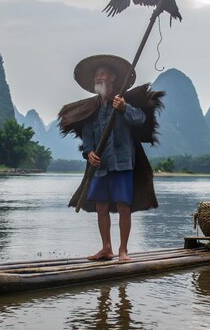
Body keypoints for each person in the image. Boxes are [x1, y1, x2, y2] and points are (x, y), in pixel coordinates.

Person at [58, 54, 165, 262]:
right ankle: (106, 248)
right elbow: (87, 139)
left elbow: (141, 120)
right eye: (96, 75)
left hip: (122, 163)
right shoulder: (93, 108)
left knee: (124, 206)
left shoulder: (123, 103)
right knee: (101, 206)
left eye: (102, 74)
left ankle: (123, 251)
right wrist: (89, 153)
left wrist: (124, 108)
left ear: (113, 77)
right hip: (101, 166)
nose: (98, 78)